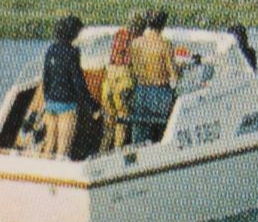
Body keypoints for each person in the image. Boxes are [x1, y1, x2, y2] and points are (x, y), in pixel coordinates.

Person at [39, 15, 93, 160]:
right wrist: (92, 105)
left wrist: (47, 99)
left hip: (50, 104)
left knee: (49, 147)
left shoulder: (51, 49)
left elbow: (46, 78)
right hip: (67, 106)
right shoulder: (72, 52)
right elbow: (78, 83)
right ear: (74, 32)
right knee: (63, 152)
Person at [126, 9, 178, 144]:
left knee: (140, 135)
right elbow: (173, 74)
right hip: (160, 92)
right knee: (162, 133)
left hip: (141, 89)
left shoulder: (136, 43)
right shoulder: (164, 44)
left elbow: (133, 67)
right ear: (163, 25)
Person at [100, 11, 145, 150]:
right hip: (124, 79)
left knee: (109, 120)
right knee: (122, 119)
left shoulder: (118, 34)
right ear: (139, 28)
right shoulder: (136, 40)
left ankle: (103, 150)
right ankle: (117, 152)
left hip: (109, 79)